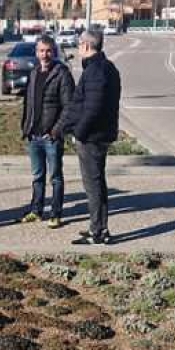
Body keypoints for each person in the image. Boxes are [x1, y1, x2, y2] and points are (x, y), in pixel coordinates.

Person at [64, 28, 121, 246]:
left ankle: (98, 231)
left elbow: (92, 108)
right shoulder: (108, 68)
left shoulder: (95, 71)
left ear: (87, 46)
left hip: (92, 137)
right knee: (98, 183)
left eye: (79, 44)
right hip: (102, 134)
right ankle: (99, 227)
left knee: (93, 185)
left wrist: (78, 132)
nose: (78, 48)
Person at [19, 35, 74, 228]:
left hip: (51, 137)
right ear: (36, 52)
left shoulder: (62, 73)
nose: (45, 54)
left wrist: (56, 131)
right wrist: (25, 127)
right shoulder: (34, 72)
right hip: (34, 136)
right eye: (41, 51)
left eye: (49, 50)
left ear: (54, 51)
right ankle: (36, 210)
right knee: (37, 176)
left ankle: (56, 213)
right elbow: (28, 103)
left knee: (56, 177)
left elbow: (69, 107)